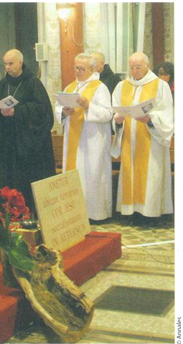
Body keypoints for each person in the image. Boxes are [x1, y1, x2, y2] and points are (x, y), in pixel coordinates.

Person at [0, 49, 56, 212]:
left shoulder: (33, 82)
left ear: (20, 63)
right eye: (5, 64)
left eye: (10, 64)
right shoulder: (2, 84)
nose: (7, 67)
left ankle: (29, 210)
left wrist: (17, 111)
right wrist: (0, 111)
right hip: (8, 142)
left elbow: (43, 110)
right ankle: (8, 210)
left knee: (26, 180)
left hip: (28, 144)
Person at [111, 52, 174, 220]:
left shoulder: (160, 85)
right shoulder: (122, 86)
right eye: (131, 67)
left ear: (147, 65)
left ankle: (150, 214)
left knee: (151, 176)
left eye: (138, 67)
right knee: (130, 175)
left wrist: (151, 119)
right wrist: (117, 120)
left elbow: (167, 113)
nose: (135, 71)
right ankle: (129, 213)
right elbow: (115, 110)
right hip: (129, 141)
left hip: (151, 140)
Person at [54, 53, 112, 222]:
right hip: (73, 139)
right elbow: (58, 108)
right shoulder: (70, 87)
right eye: (76, 68)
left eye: (82, 69)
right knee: (75, 174)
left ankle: (95, 214)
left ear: (92, 69)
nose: (77, 72)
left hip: (92, 141)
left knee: (92, 175)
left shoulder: (100, 87)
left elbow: (107, 113)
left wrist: (88, 106)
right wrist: (64, 112)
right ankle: (74, 213)